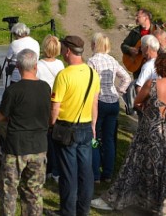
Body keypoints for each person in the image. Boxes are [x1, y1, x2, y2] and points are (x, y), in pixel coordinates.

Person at [91, 53, 166, 214]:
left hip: (150, 129)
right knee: (164, 168)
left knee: (135, 164)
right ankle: (161, 205)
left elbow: (137, 102)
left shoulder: (152, 84)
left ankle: (122, 197)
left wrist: (147, 107)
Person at [0, 49, 50, 216]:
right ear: (36, 66)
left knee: (9, 190)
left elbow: (0, 117)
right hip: (39, 145)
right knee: (34, 191)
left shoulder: (13, 90)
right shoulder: (45, 88)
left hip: (16, 147)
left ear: (18, 66)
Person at [50, 35, 100, 216]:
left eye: (63, 48)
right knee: (86, 173)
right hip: (86, 126)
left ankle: (67, 211)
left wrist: (52, 125)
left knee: (68, 174)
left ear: (68, 51)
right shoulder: (92, 73)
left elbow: (55, 106)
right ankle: (83, 210)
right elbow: (95, 103)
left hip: (66, 127)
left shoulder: (64, 75)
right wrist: (93, 125)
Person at [87, 33, 131, 183]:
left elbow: (89, 81)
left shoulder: (92, 61)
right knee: (109, 139)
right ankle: (108, 173)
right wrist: (119, 91)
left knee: (94, 137)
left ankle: (95, 174)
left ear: (95, 45)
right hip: (113, 101)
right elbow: (127, 77)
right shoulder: (112, 60)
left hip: (98, 101)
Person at [37, 34, 65, 182]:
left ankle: (46, 167)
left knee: (45, 137)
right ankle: (55, 169)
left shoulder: (39, 65)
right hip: (57, 102)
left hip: (43, 102)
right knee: (55, 137)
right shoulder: (60, 65)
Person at [121, 8, 153, 78]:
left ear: (146, 18)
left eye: (138, 16)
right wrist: (130, 49)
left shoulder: (155, 31)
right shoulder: (135, 31)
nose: (136, 18)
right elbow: (123, 45)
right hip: (137, 67)